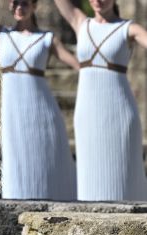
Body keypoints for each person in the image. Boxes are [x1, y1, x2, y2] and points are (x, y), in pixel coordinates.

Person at [0, 0, 78, 200]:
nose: (20, 7)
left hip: (42, 109)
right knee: (16, 156)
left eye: (25, 3)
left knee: (47, 155)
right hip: (13, 110)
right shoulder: (1, 36)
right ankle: (17, 200)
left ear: (34, 6)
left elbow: (75, 63)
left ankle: (55, 199)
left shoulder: (47, 38)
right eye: (15, 3)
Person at [54, 0, 147, 201]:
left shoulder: (128, 28)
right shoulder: (80, 22)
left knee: (124, 173)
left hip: (119, 112)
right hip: (87, 112)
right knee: (91, 175)